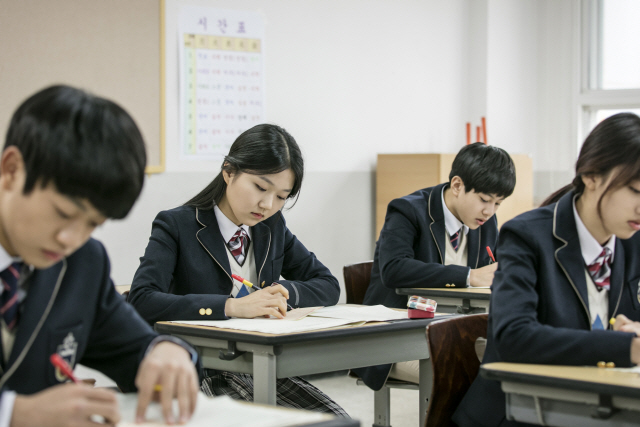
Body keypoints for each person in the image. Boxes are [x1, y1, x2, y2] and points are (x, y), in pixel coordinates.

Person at [0, 85, 200, 427]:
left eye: (92, 224)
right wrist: (13, 414)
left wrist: (167, 351)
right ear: (12, 169)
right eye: (63, 213)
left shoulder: (82, 263)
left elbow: (134, 348)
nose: (70, 239)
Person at [127, 123, 346, 416]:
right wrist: (231, 306)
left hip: (260, 366)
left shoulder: (272, 227)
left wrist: (286, 290)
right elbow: (142, 299)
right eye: (260, 187)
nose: (267, 205)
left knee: (338, 421)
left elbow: (328, 284)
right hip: (201, 369)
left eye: (282, 196)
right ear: (229, 172)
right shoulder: (176, 225)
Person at [454, 112, 640, 427]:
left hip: (602, 402)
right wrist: (627, 346)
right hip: (525, 410)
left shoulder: (630, 238)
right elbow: (515, 337)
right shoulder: (527, 236)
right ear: (591, 176)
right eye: (636, 191)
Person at [357, 142, 516, 390]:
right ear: (457, 186)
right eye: (484, 200)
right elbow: (394, 269)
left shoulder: (486, 221)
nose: (489, 211)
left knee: (512, 368)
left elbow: (491, 273)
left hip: (458, 334)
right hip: (397, 341)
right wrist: (469, 276)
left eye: (498, 203)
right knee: (475, 378)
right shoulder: (407, 211)